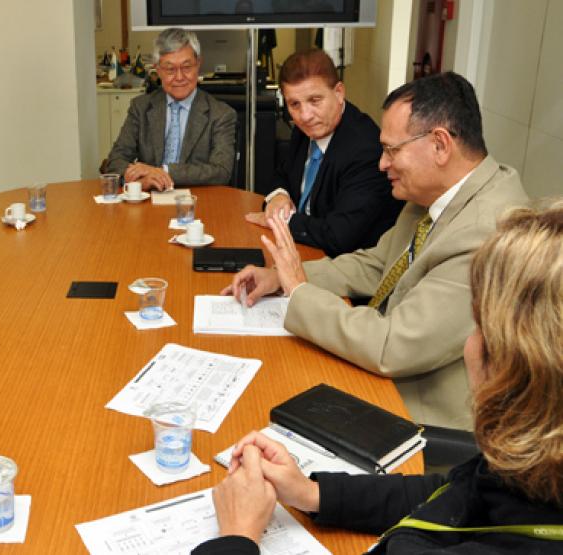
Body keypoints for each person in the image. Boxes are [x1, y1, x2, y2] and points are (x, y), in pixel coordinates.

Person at [197, 200, 563, 554]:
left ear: (524, 373)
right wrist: (311, 493)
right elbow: (453, 493)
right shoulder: (533, 473)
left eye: (480, 329)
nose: (469, 344)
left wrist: (237, 537)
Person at [223, 72, 529, 429]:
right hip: (389, 375)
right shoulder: (434, 196)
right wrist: (281, 277)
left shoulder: (486, 233)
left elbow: (392, 345)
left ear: (440, 145)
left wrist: (300, 292)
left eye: (391, 150)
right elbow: (377, 264)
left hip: (423, 414)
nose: (382, 163)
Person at [245, 49, 403, 257]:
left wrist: (281, 219)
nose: (305, 115)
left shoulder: (366, 150)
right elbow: (283, 174)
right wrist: (279, 197)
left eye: (315, 100)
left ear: (339, 93)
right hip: (303, 249)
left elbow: (339, 235)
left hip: (349, 266)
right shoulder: (308, 128)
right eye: (294, 104)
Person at [103, 28, 237, 191]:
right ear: (158, 69)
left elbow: (221, 171)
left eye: (186, 67)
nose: (179, 77)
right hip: (148, 201)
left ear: (198, 64)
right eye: (170, 69)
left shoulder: (221, 114)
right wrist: (142, 181)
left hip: (199, 202)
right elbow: (115, 161)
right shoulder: (141, 108)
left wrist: (163, 171)